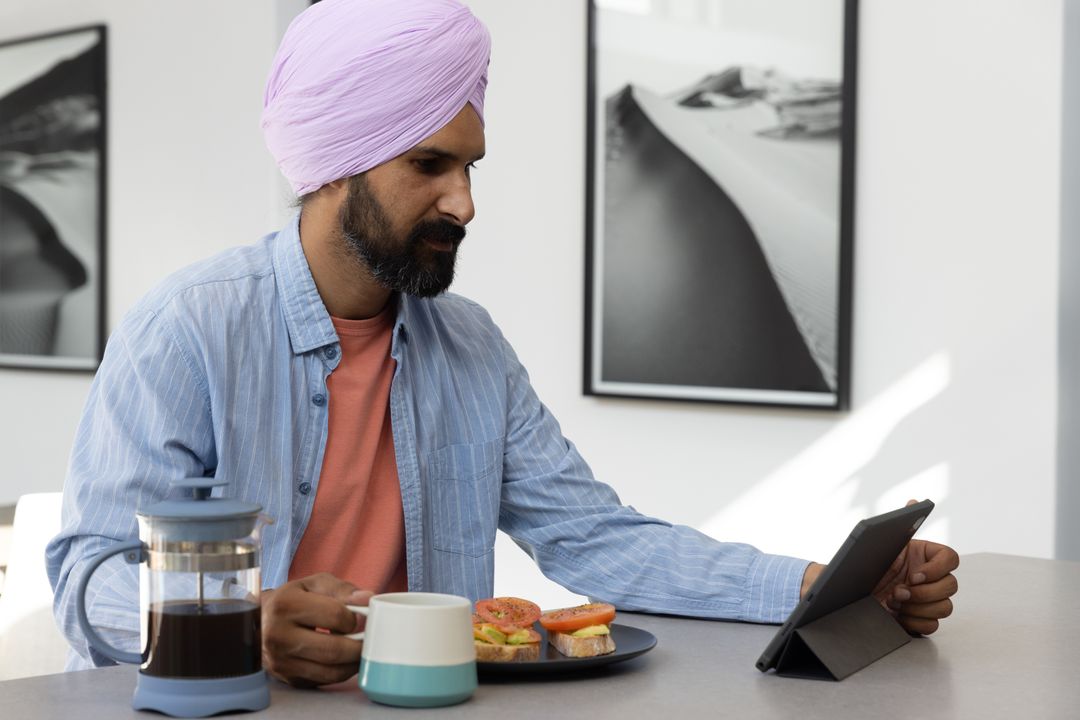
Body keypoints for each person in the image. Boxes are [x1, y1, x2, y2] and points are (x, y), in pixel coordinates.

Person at [45, 0, 959, 688]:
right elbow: (88, 584)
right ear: (335, 168)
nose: (464, 204)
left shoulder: (469, 344)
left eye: (469, 166)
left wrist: (828, 582)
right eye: (429, 166)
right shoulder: (188, 330)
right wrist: (239, 623)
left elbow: (599, 542)